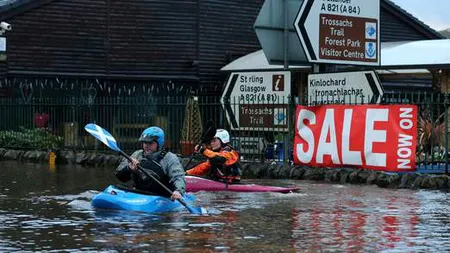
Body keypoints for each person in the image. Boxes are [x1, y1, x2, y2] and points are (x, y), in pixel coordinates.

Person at [115, 126, 186, 200]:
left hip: (161, 197)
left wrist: (178, 191)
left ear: (159, 143)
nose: (146, 145)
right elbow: (120, 176)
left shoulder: (169, 158)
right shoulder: (137, 155)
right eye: (144, 142)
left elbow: (178, 177)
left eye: (150, 143)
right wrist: (129, 168)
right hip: (138, 194)